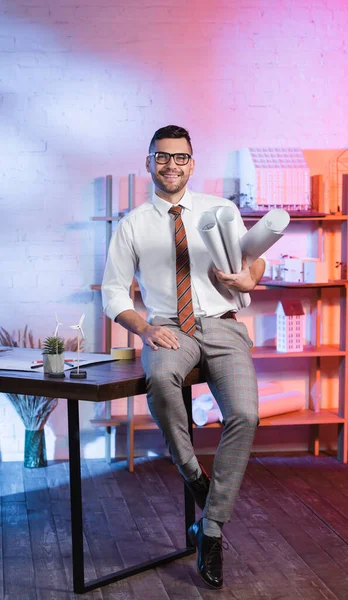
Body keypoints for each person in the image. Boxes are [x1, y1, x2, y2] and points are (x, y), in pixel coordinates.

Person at [101, 125, 265, 589]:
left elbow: (255, 257)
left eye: (181, 157)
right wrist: (147, 329)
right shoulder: (132, 224)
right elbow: (113, 292)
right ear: (149, 161)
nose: (172, 165)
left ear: (192, 163)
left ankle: (209, 526)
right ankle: (194, 474)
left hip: (222, 324)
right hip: (169, 328)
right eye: (163, 157)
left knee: (247, 415)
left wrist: (250, 279)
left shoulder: (220, 209)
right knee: (159, 382)